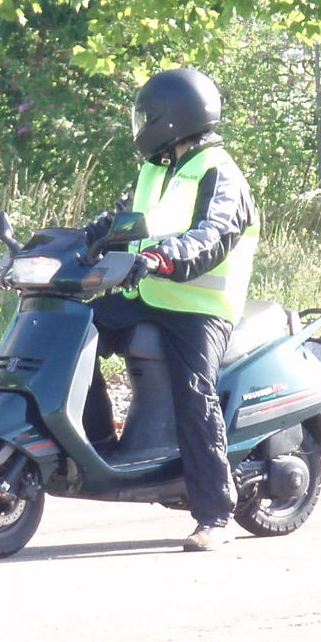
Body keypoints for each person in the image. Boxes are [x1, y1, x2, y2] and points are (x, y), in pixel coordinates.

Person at [83, 68, 259, 552]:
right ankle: (98, 442)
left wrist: (162, 257)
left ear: (171, 118)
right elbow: (122, 221)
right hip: (148, 296)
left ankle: (214, 515)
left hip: (200, 309)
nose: (141, 124)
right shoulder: (156, 170)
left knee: (192, 391)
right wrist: (74, 241)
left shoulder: (221, 173)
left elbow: (213, 235)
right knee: (76, 331)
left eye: (146, 115)